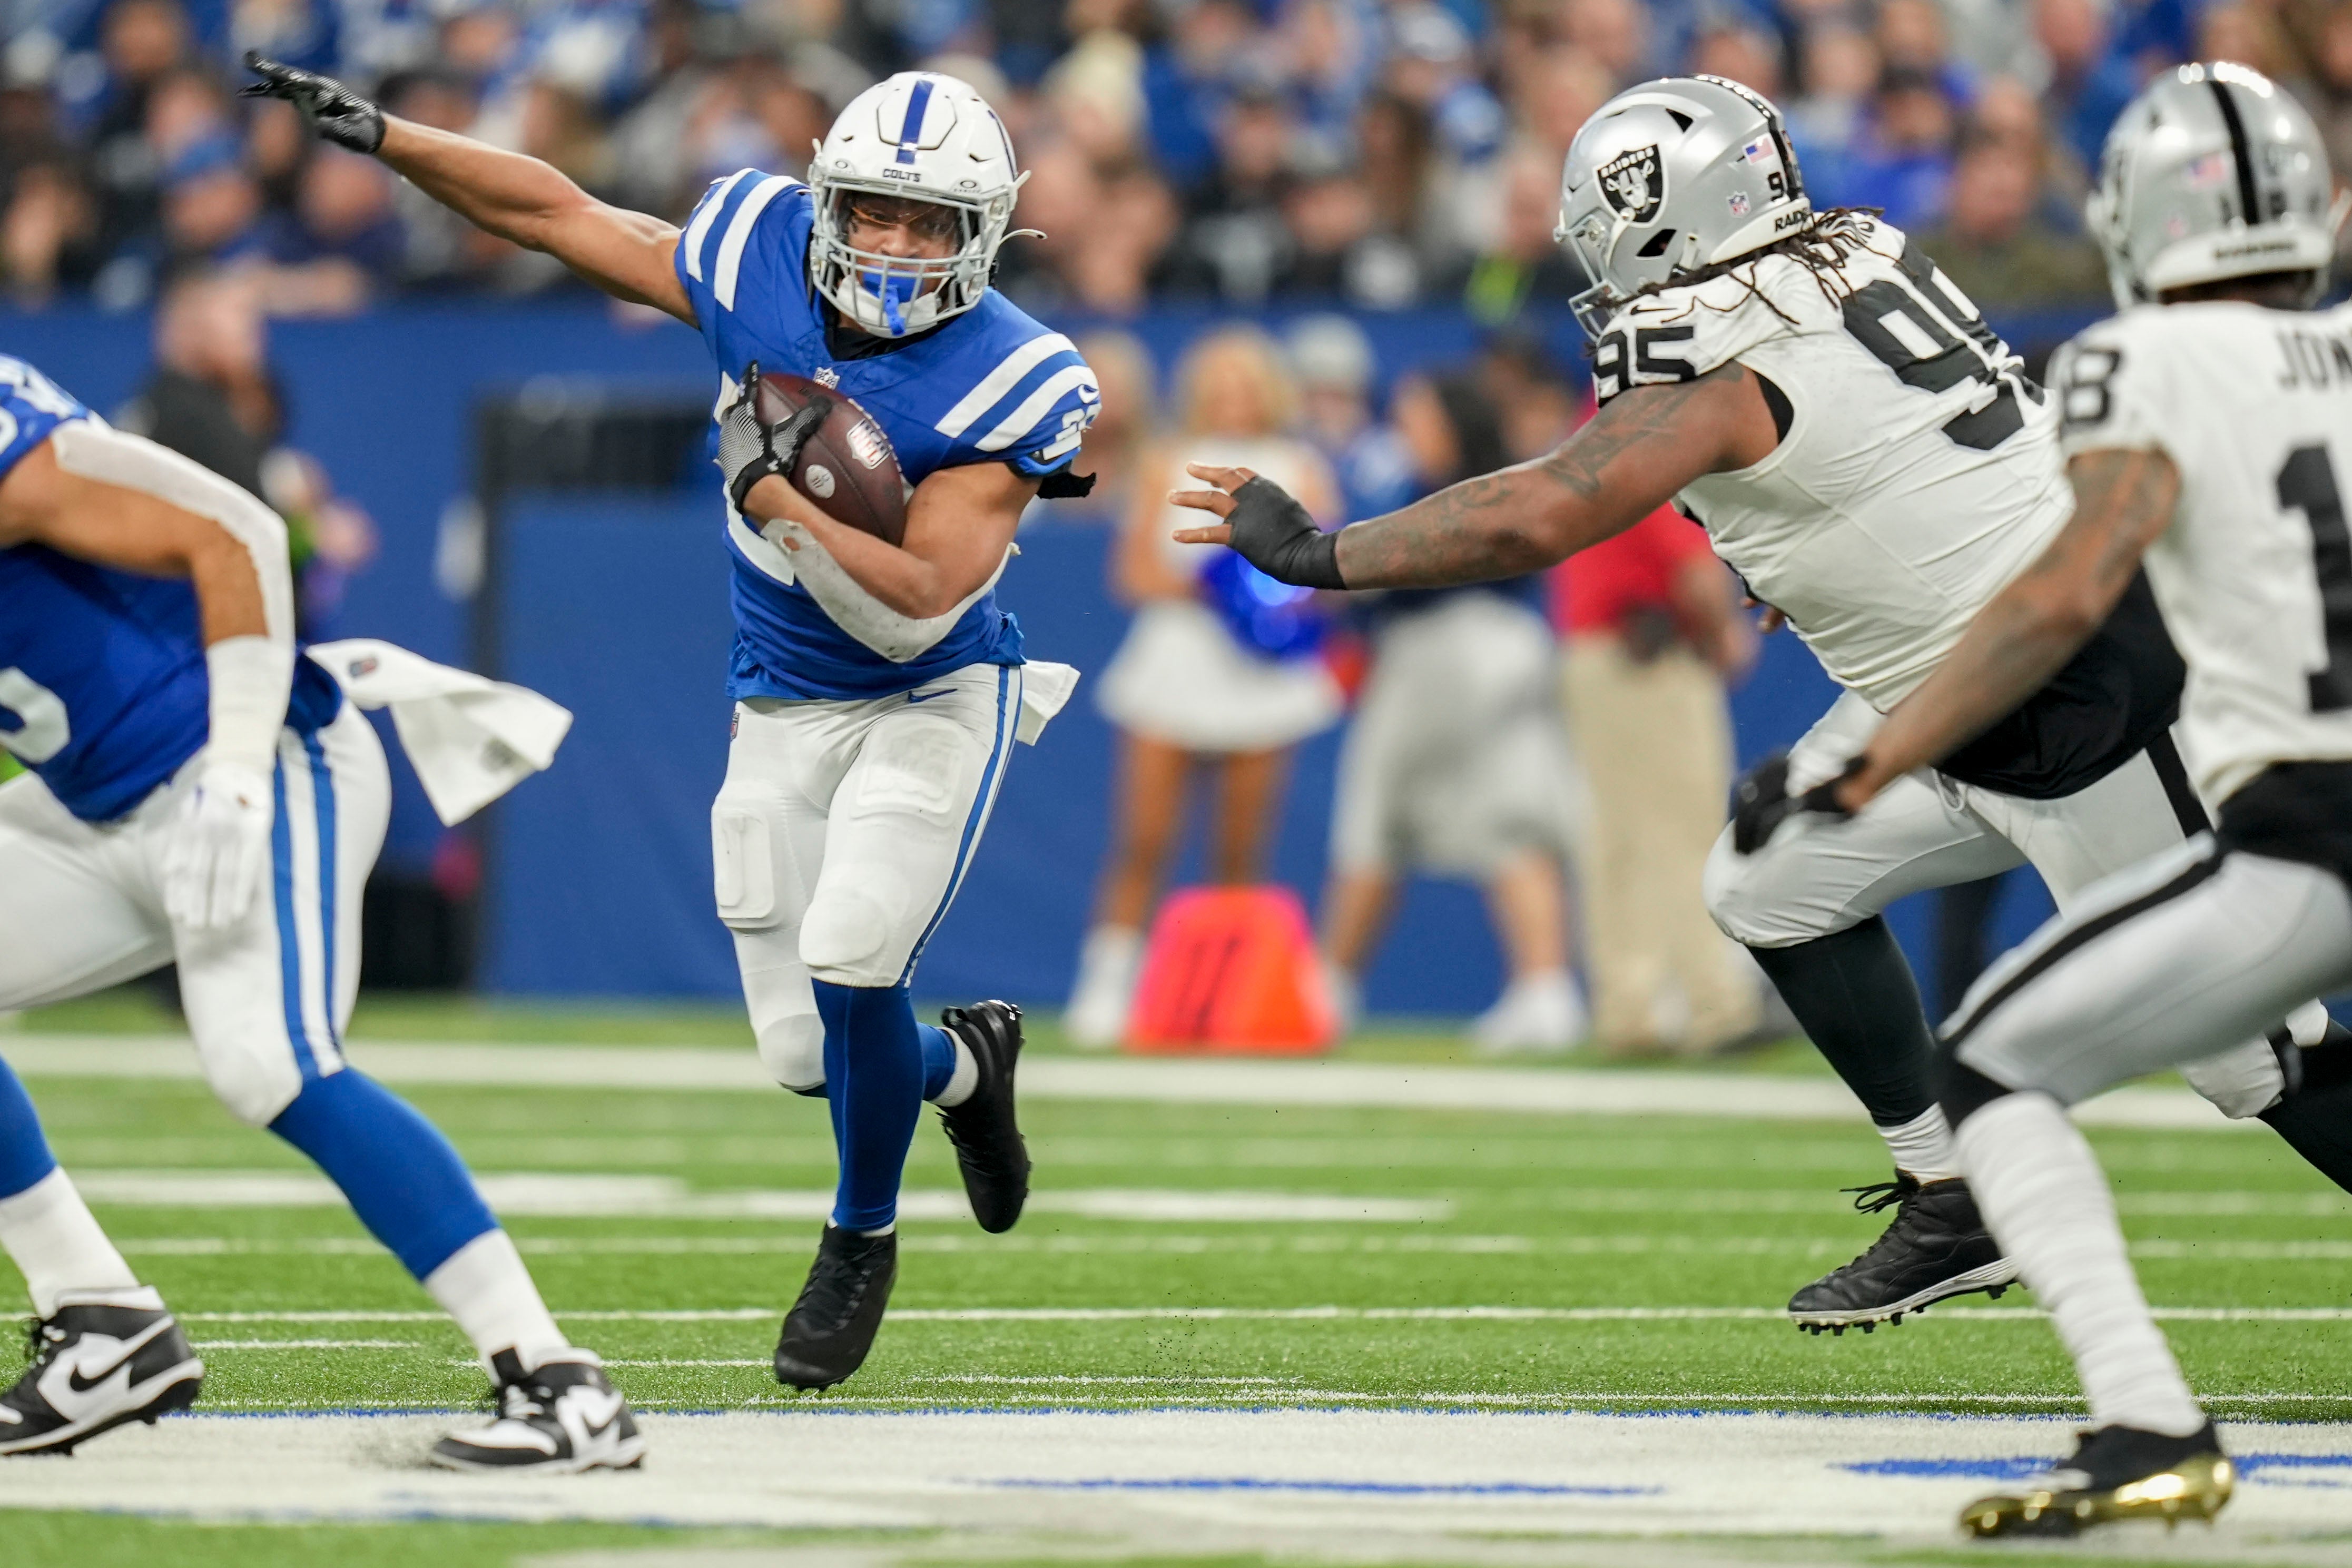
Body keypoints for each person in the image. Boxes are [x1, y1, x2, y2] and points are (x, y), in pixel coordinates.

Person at [1169, 72, 2352, 1335]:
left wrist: (1318, 551)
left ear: (1661, 217)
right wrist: (1785, 550)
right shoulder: (1848, 248)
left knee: (2249, 1058)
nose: (1601, 271)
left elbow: (1549, 504)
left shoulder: (1715, 343)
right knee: (1765, 880)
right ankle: (1949, 1190)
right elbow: (1867, 441)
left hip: (2069, 695)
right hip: (1941, 688)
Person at [243, 58, 1097, 1389]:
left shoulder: (1018, 376)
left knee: (856, 947)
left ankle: (857, 1235)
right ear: (828, 203)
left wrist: (779, 502)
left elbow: (923, 597)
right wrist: (396, 137)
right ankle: (958, 1072)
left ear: (984, 233)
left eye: (930, 223)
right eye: (875, 210)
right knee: (802, 1052)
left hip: (933, 694)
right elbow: (556, 215)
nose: (895, 244)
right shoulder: (755, 247)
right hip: (781, 692)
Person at [1809, 62, 2352, 1537]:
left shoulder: (2140, 364)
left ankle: (2146, 1421)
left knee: (1987, 1067)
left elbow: (2062, 595)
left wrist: (1881, 747)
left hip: (2310, 834)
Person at [0, 354, 639, 1469]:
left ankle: (557, 1380)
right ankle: (101, 1322)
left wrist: (239, 765)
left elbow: (237, 530)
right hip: (97, 809)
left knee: (269, 1063)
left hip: (256, 758)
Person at [1065, 327, 1342, 1047]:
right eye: (1218, 383)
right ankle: (1107, 986)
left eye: (1245, 383)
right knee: (1144, 840)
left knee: (1241, 853)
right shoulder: (1163, 461)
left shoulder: (1301, 466)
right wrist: (1217, 594)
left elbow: (1325, 574)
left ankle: (1230, 994)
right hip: (1175, 666)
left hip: (1260, 679)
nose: (1232, 398)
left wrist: (1268, 611)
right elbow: (1131, 574)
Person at [1320, 372, 1589, 1051]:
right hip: (1501, 650)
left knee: (1377, 817)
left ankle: (1325, 990)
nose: (1406, 422)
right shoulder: (1491, 482)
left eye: (1418, 410)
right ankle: (1546, 988)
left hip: (1442, 656)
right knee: (1509, 816)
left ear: (1451, 420)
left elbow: (1381, 578)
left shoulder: (1433, 492)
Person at [1558, 504, 1761, 1056]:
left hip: (1600, 648)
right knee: (1681, 827)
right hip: (1646, 653)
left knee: (1620, 837)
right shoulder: (1646, 425)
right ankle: (1715, 1005)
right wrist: (1724, 631)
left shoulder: (1595, 431)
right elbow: (1689, 565)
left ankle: (1633, 1010)